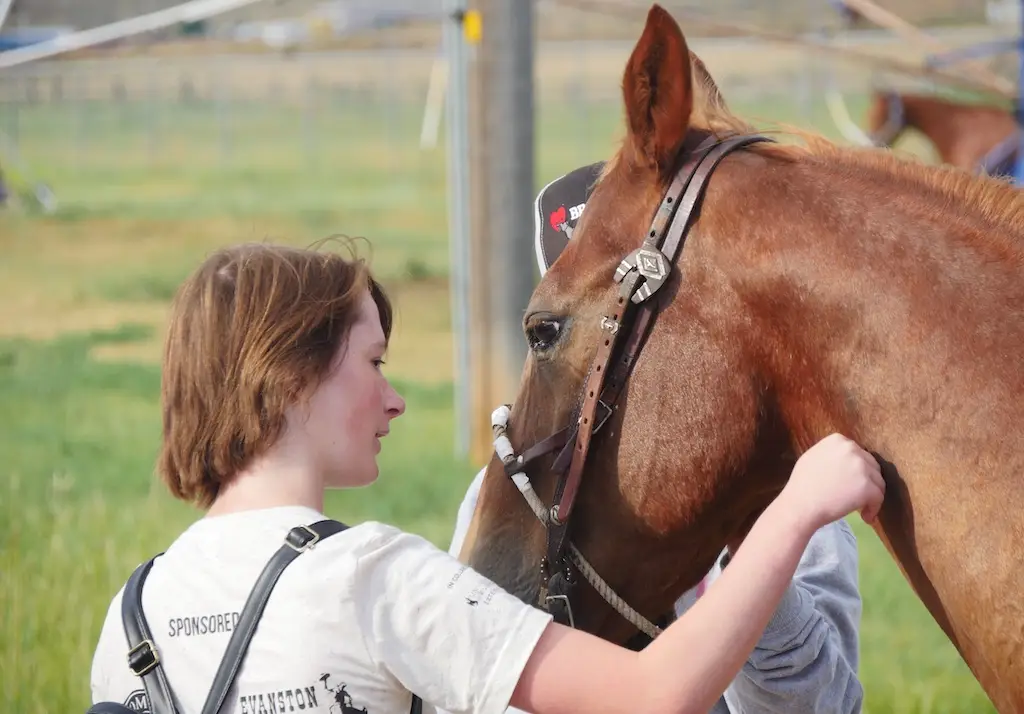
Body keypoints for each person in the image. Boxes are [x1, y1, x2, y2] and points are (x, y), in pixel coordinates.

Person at [89, 240, 885, 714]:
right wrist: (794, 508)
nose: (395, 399)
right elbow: (654, 694)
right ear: (292, 377)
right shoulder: (374, 578)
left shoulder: (134, 613)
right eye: (373, 364)